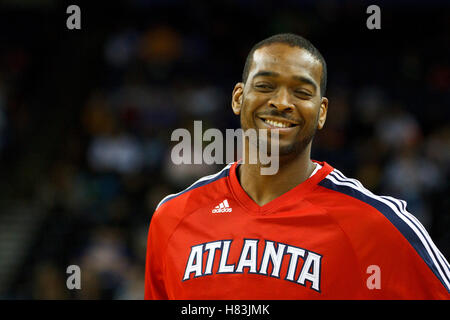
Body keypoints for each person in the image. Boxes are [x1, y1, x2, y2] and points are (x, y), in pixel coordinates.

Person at [145, 33, 450, 299]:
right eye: (265, 86)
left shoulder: (376, 224)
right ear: (238, 98)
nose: (281, 102)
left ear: (322, 112)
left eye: (302, 92)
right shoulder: (173, 217)